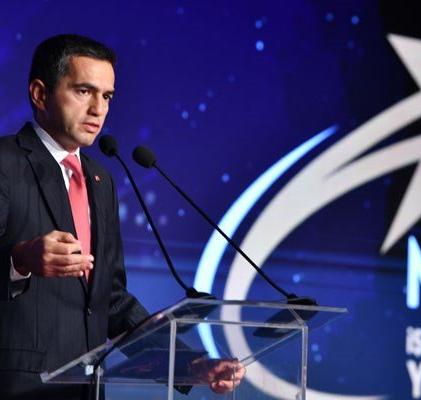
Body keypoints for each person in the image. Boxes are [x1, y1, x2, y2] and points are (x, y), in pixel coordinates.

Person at [0, 34, 244, 399]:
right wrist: (18, 261)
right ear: (39, 94)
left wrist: (189, 364)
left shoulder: (100, 180)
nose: (98, 109)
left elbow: (110, 301)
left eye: (107, 96)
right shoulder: (5, 163)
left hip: (85, 389)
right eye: (84, 91)